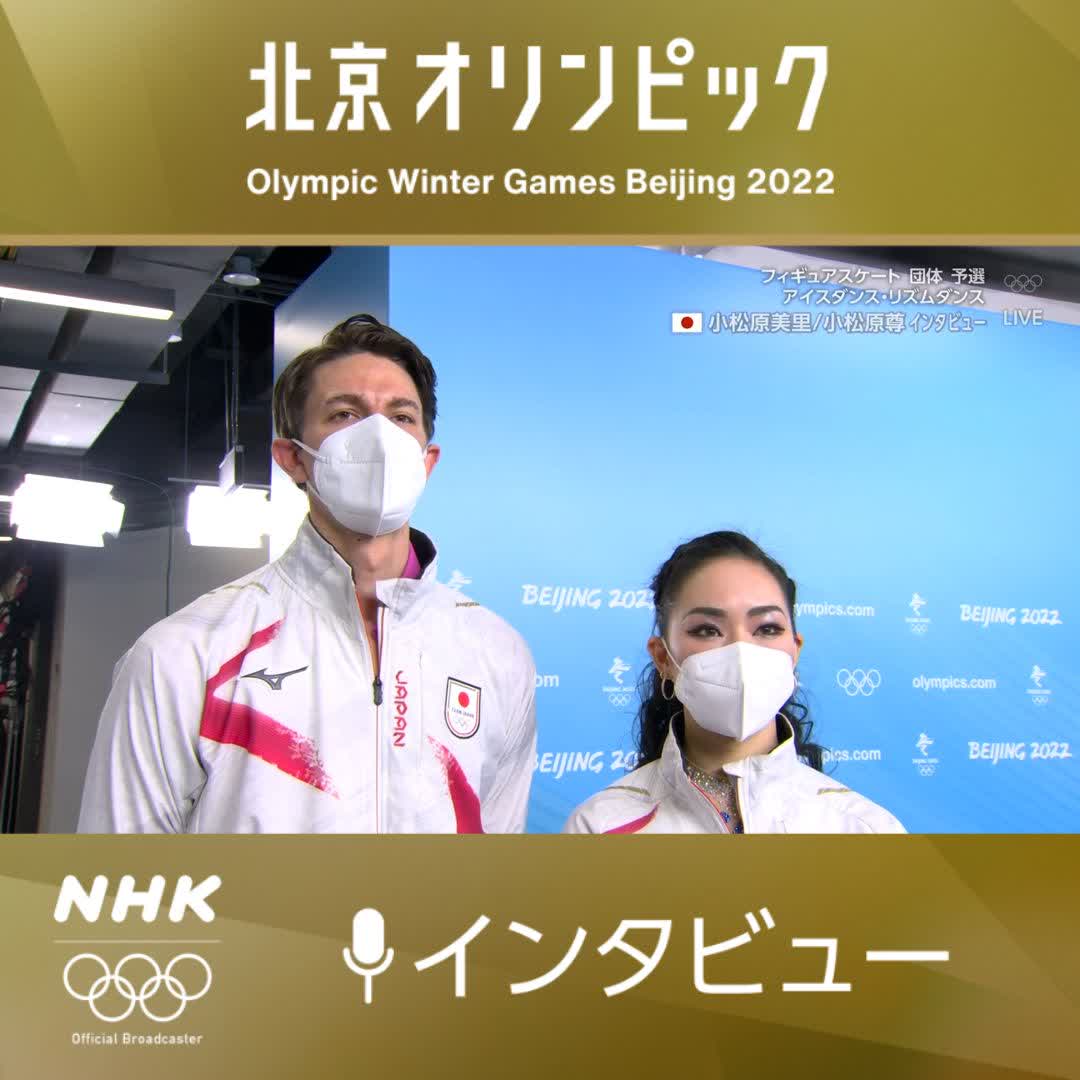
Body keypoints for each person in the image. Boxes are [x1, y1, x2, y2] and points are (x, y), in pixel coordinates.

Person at [79, 314, 536, 833]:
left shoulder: (496, 651)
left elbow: (496, 860)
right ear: (293, 458)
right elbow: (123, 868)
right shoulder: (185, 653)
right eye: (345, 414)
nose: (378, 437)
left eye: (401, 416)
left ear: (427, 461)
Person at [564, 531, 903, 834]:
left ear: (794, 652)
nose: (741, 650)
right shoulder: (600, 827)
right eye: (707, 630)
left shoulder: (865, 829)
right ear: (663, 658)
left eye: (767, 629)